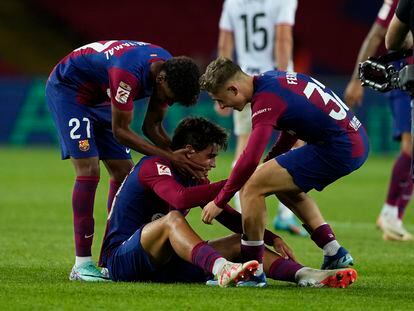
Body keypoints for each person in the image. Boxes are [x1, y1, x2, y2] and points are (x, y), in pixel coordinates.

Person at [100, 117, 357, 288]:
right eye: (209, 156)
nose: (213, 163)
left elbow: (229, 217)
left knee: (239, 241)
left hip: (163, 266)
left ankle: (305, 275)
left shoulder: (193, 176)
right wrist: (237, 180)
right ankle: (221, 269)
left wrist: (270, 237)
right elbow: (178, 198)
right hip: (121, 260)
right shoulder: (155, 165)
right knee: (172, 221)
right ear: (189, 151)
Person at [200, 57, 369, 286]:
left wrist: (220, 201)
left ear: (233, 88)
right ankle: (333, 251)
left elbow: (249, 158)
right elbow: (292, 129)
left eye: (221, 100)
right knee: (278, 184)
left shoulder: (265, 100)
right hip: (353, 140)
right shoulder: (271, 80)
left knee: (251, 186)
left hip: (339, 147)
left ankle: (253, 270)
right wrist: (271, 162)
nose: (222, 107)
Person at [45, 40, 204, 281]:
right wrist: (171, 156)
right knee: (89, 169)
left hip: (100, 96)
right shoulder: (128, 73)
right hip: (70, 91)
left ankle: (112, 256)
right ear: (161, 80)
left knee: (124, 174)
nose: (164, 101)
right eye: (167, 96)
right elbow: (121, 131)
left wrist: (183, 157)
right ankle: (81, 264)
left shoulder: (168, 70)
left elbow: (151, 126)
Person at [216, 0, 305, 235]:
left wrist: (221, 86)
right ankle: (286, 214)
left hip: (241, 82)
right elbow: (283, 39)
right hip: (273, 82)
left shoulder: (233, 2)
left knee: (245, 145)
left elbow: (225, 43)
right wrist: (283, 78)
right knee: (297, 143)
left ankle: (242, 208)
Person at [344, 0, 413, 241]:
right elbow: (377, 35)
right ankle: (390, 214)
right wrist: (356, 79)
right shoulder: (395, 2)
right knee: (410, 145)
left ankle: (393, 216)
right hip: (405, 75)